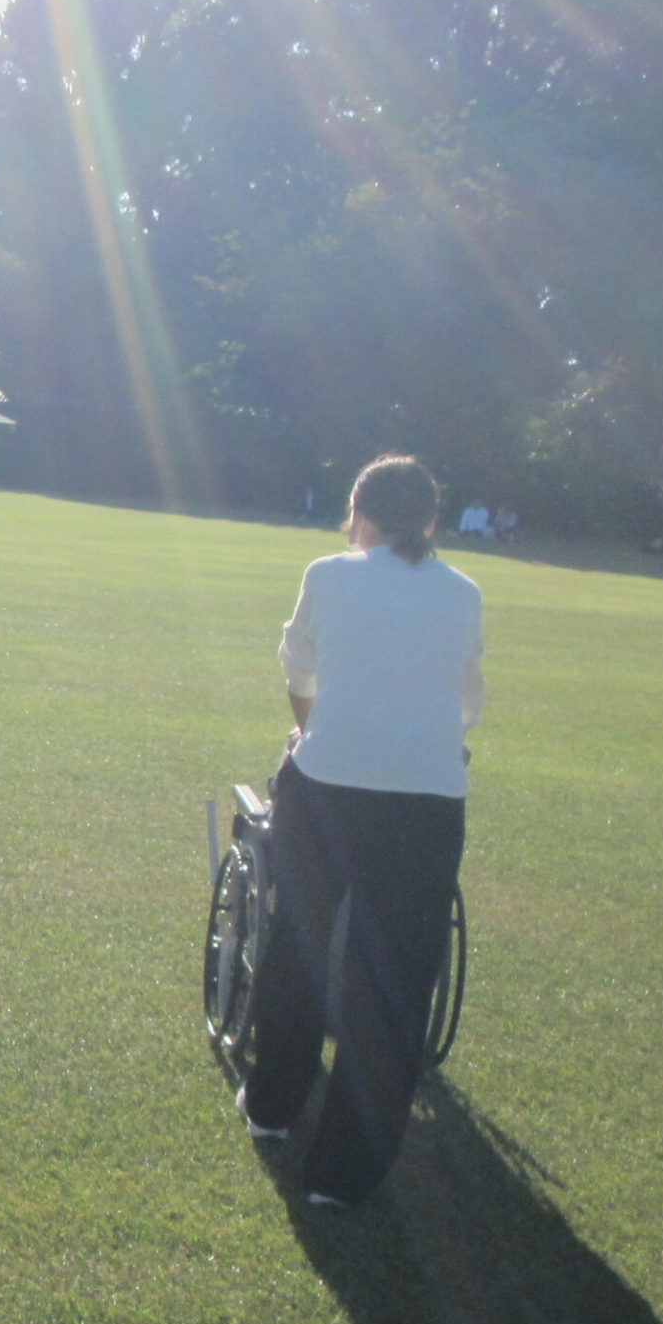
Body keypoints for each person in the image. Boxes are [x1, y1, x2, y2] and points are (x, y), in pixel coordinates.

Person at [236, 455, 483, 1210]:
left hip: (328, 785)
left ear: (359, 513)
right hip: (427, 798)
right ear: (432, 522)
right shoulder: (463, 593)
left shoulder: (329, 574)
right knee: (396, 978)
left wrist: (310, 731)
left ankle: (274, 1105)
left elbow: (298, 668)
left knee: (300, 940)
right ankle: (343, 1173)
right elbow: (465, 701)